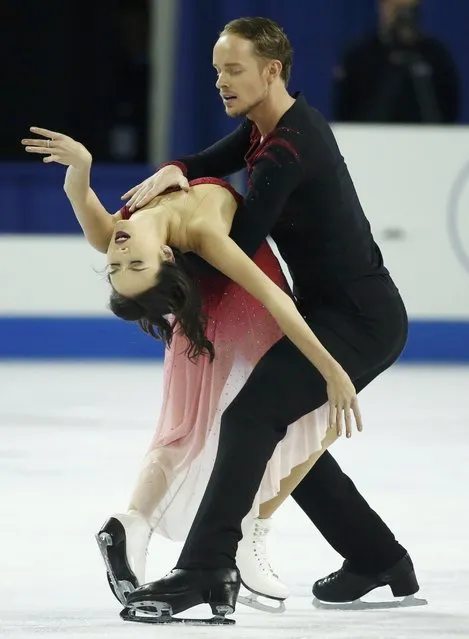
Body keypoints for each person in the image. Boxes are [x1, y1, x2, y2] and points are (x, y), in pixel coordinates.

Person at [108, 17, 418, 620]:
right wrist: (176, 171)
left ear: (271, 71)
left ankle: (203, 568)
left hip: (361, 319)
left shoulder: (287, 148)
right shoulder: (265, 128)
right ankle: (377, 556)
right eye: (217, 70)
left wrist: (161, 256)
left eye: (233, 70)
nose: (221, 81)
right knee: (273, 427)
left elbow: (237, 251)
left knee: (251, 417)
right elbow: (201, 162)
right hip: (336, 309)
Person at [21, 127, 349, 610]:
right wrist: (333, 368)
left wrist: (82, 165)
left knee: (193, 427)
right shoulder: (204, 234)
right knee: (308, 416)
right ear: (167, 255)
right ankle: (249, 531)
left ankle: (135, 524)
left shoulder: (121, 232)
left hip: (197, 311)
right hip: (242, 312)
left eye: (118, 267)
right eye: (135, 264)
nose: (119, 255)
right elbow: (275, 300)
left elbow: (81, 196)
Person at [332, 0, 461, 124]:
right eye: (397, 9)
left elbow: (450, 111)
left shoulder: (435, 55)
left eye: (408, 9)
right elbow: (344, 111)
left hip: (426, 140)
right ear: (382, 6)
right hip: (370, 139)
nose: (403, 17)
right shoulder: (359, 56)